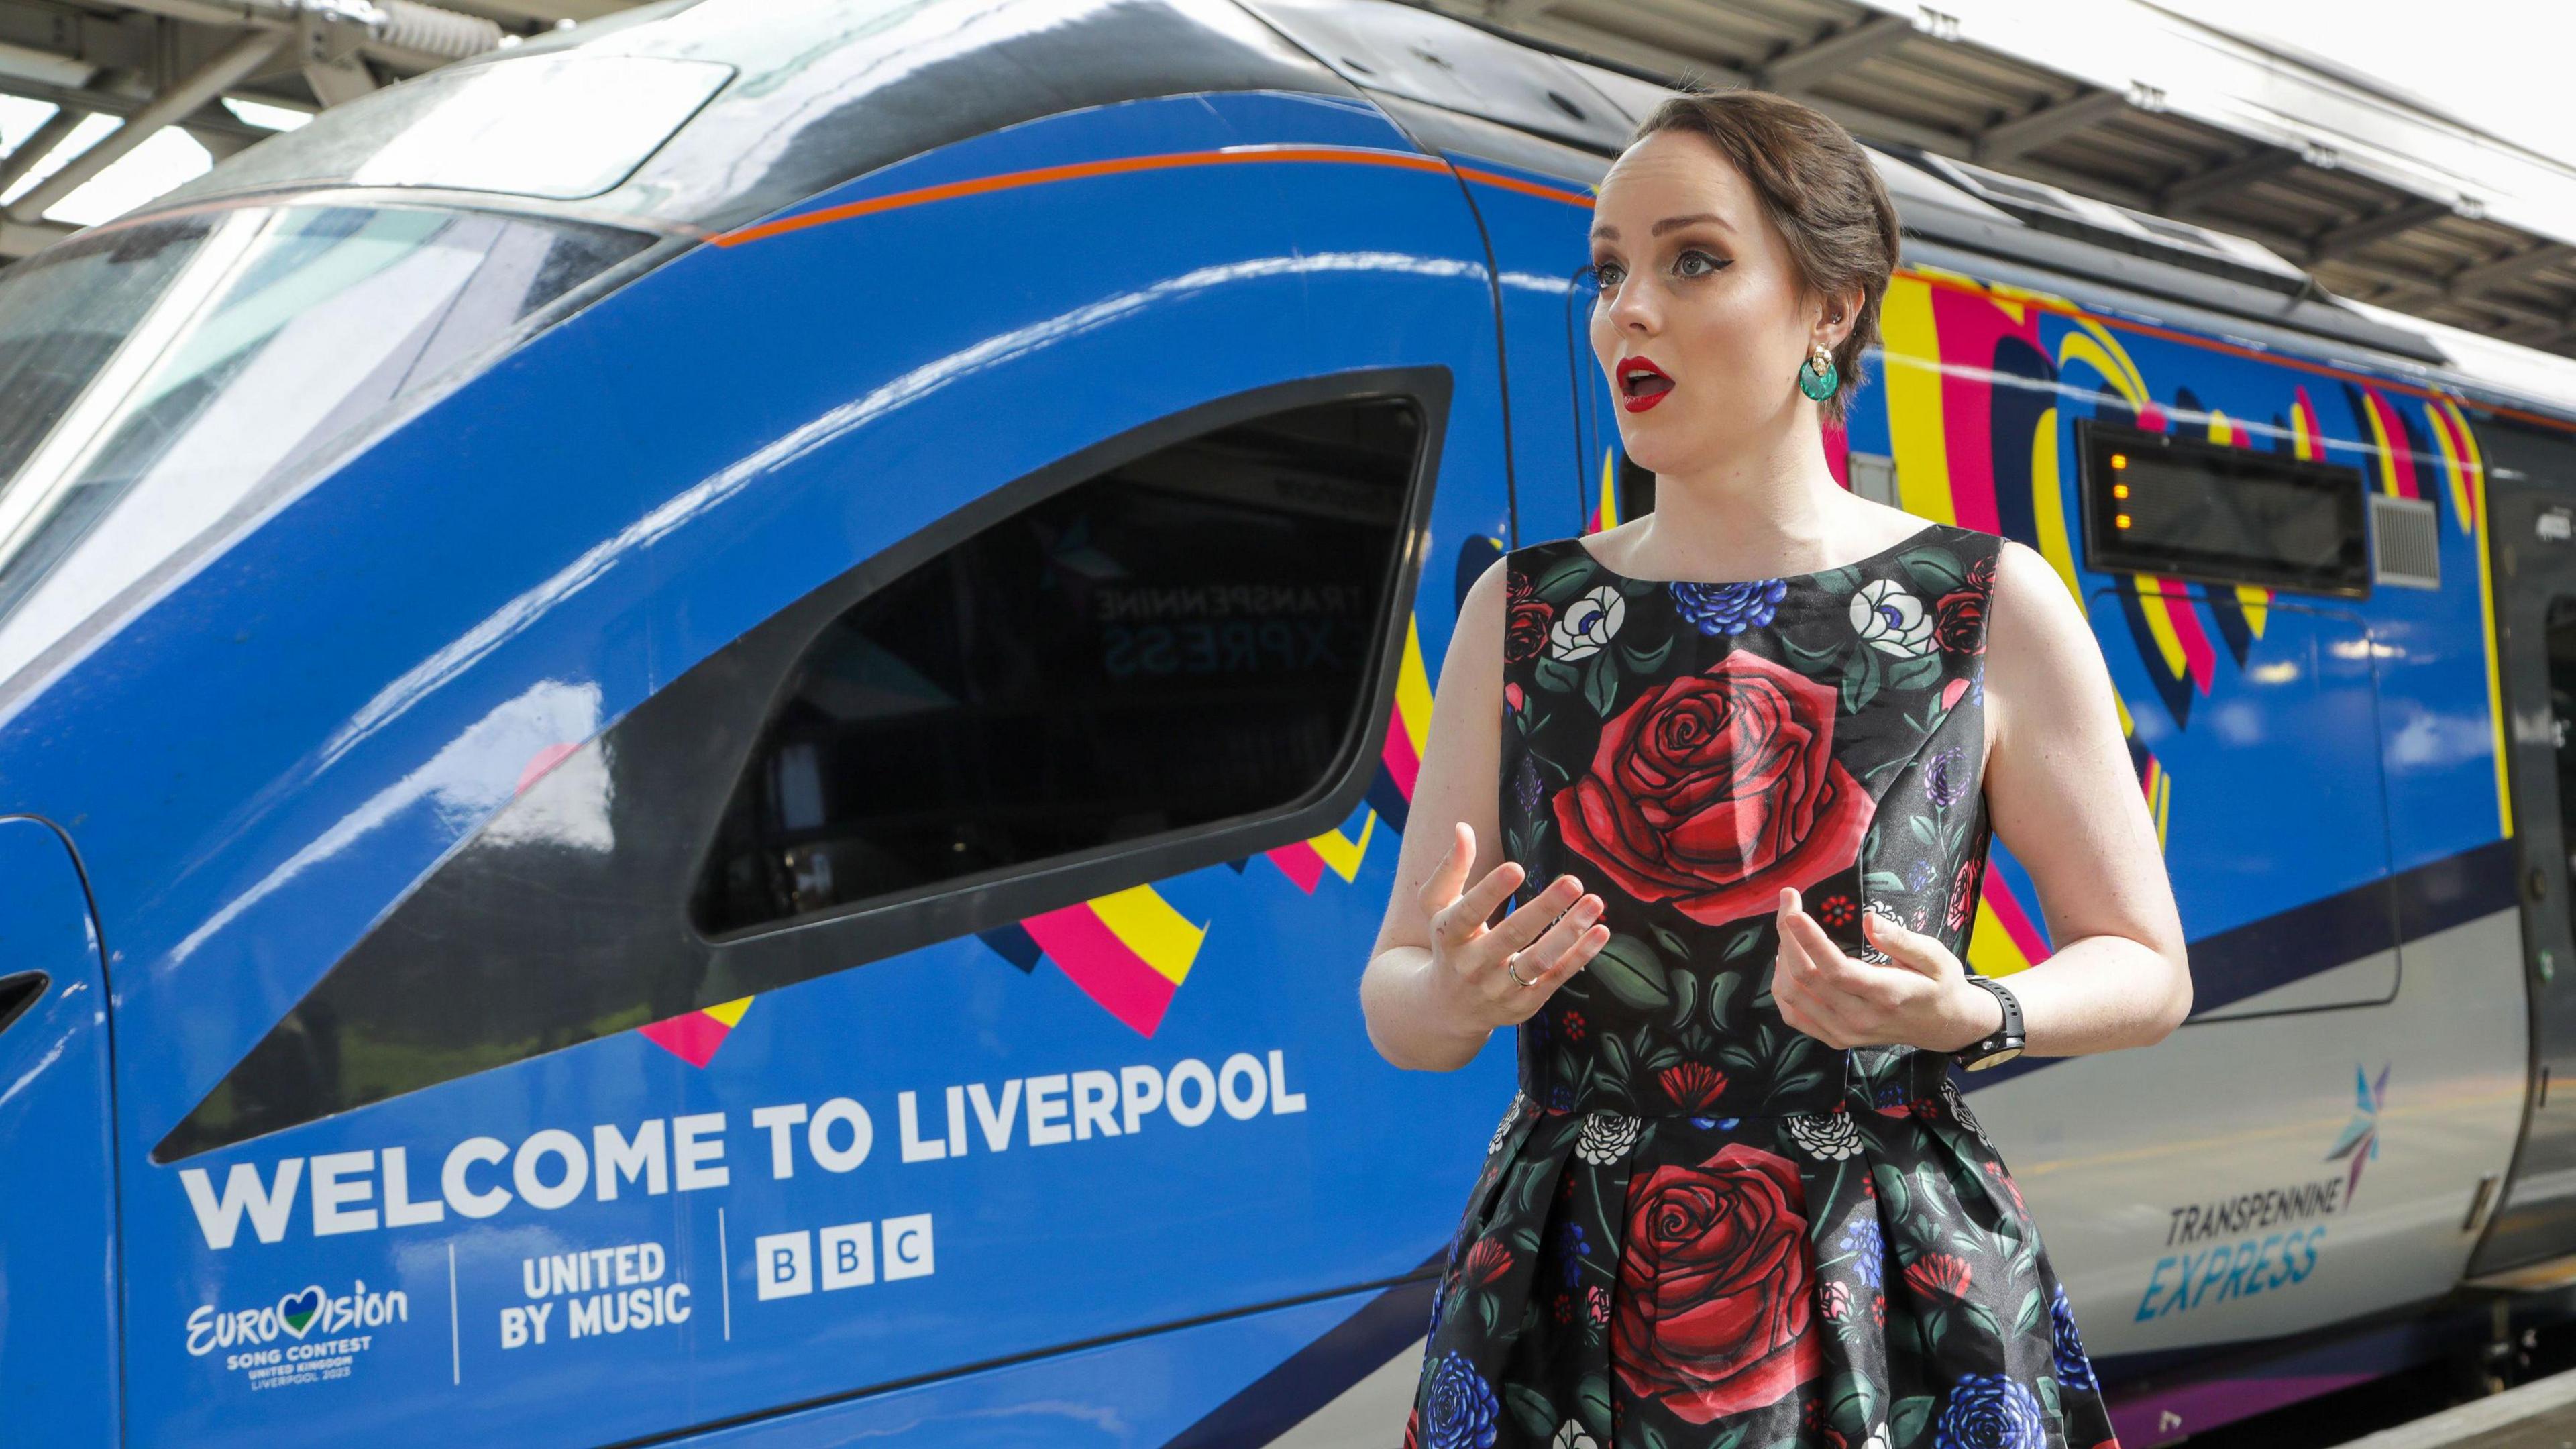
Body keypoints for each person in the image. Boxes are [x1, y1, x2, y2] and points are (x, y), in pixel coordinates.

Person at [1360, 85, 2191, 1449]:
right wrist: (1452, 989)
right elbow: (1397, 1002)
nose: (1628, 309)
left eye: (1692, 260)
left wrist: (1973, 1012)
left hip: (1896, 1286)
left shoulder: (1982, 603)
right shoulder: (1516, 613)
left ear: (1831, 308)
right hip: (1573, 1289)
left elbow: (2147, 964)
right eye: (1610, 270)